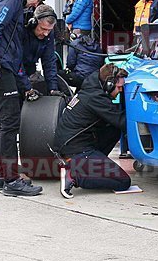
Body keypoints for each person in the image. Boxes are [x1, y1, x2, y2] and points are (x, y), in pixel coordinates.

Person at [0, 0, 49, 196]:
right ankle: (11, 180)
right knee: (9, 124)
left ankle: (1, 177)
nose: (35, 6)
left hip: (0, 65)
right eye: (37, 1)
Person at [53, 63, 132, 198]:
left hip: (70, 145)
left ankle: (90, 166)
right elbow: (123, 122)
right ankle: (74, 176)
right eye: (119, 87)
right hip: (76, 150)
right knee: (123, 181)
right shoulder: (96, 98)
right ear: (108, 84)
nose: (120, 91)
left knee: (113, 129)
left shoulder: (90, 90)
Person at [20, 4, 61, 100]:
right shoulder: (22, 30)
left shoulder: (48, 34)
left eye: (49, 30)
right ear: (34, 23)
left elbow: (49, 61)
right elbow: (16, 62)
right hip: (13, 71)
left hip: (29, 70)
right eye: (43, 29)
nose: (46, 33)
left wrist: (53, 89)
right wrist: (27, 87)